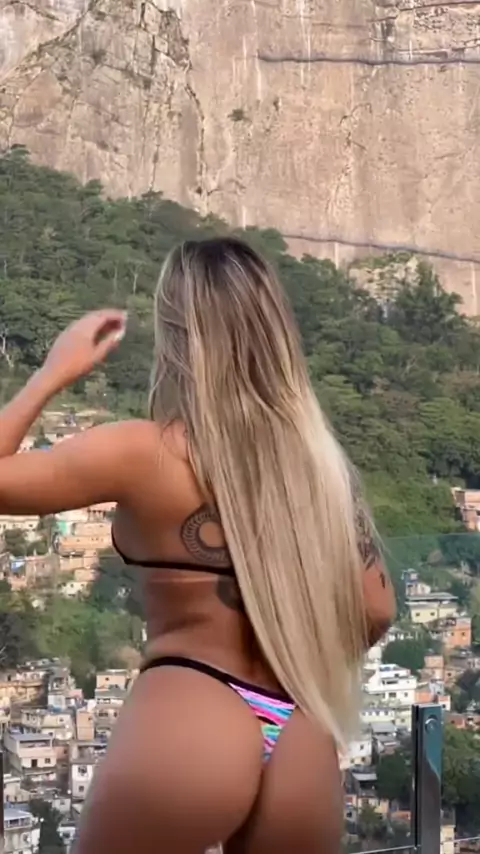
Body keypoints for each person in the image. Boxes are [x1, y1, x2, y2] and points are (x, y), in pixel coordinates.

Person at [0, 237, 395, 853]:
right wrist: (288, 635)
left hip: (192, 707)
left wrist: (52, 373)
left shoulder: (145, 451)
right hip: (301, 729)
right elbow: (376, 610)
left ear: (177, 339)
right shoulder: (320, 470)